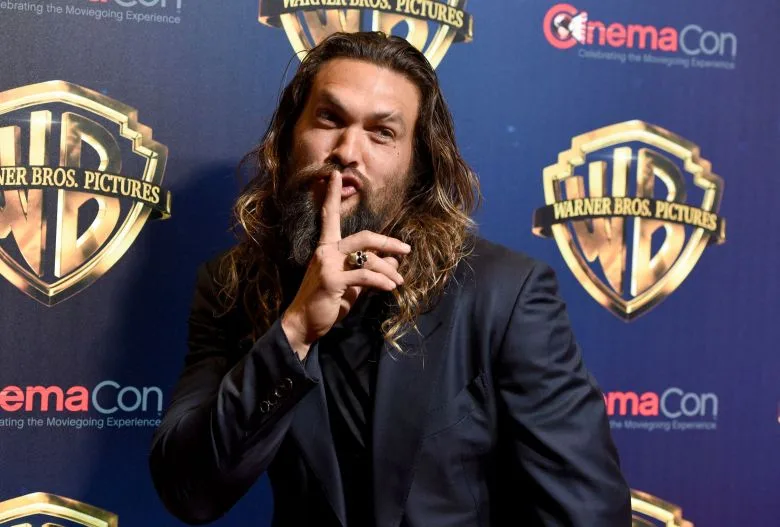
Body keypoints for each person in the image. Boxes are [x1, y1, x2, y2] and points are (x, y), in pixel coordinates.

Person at [148, 31, 632, 527]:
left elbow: (587, 512)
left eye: (381, 133)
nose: (347, 151)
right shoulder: (232, 285)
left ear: (416, 163)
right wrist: (295, 330)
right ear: (289, 135)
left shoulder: (502, 293)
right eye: (329, 118)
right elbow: (190, 492)